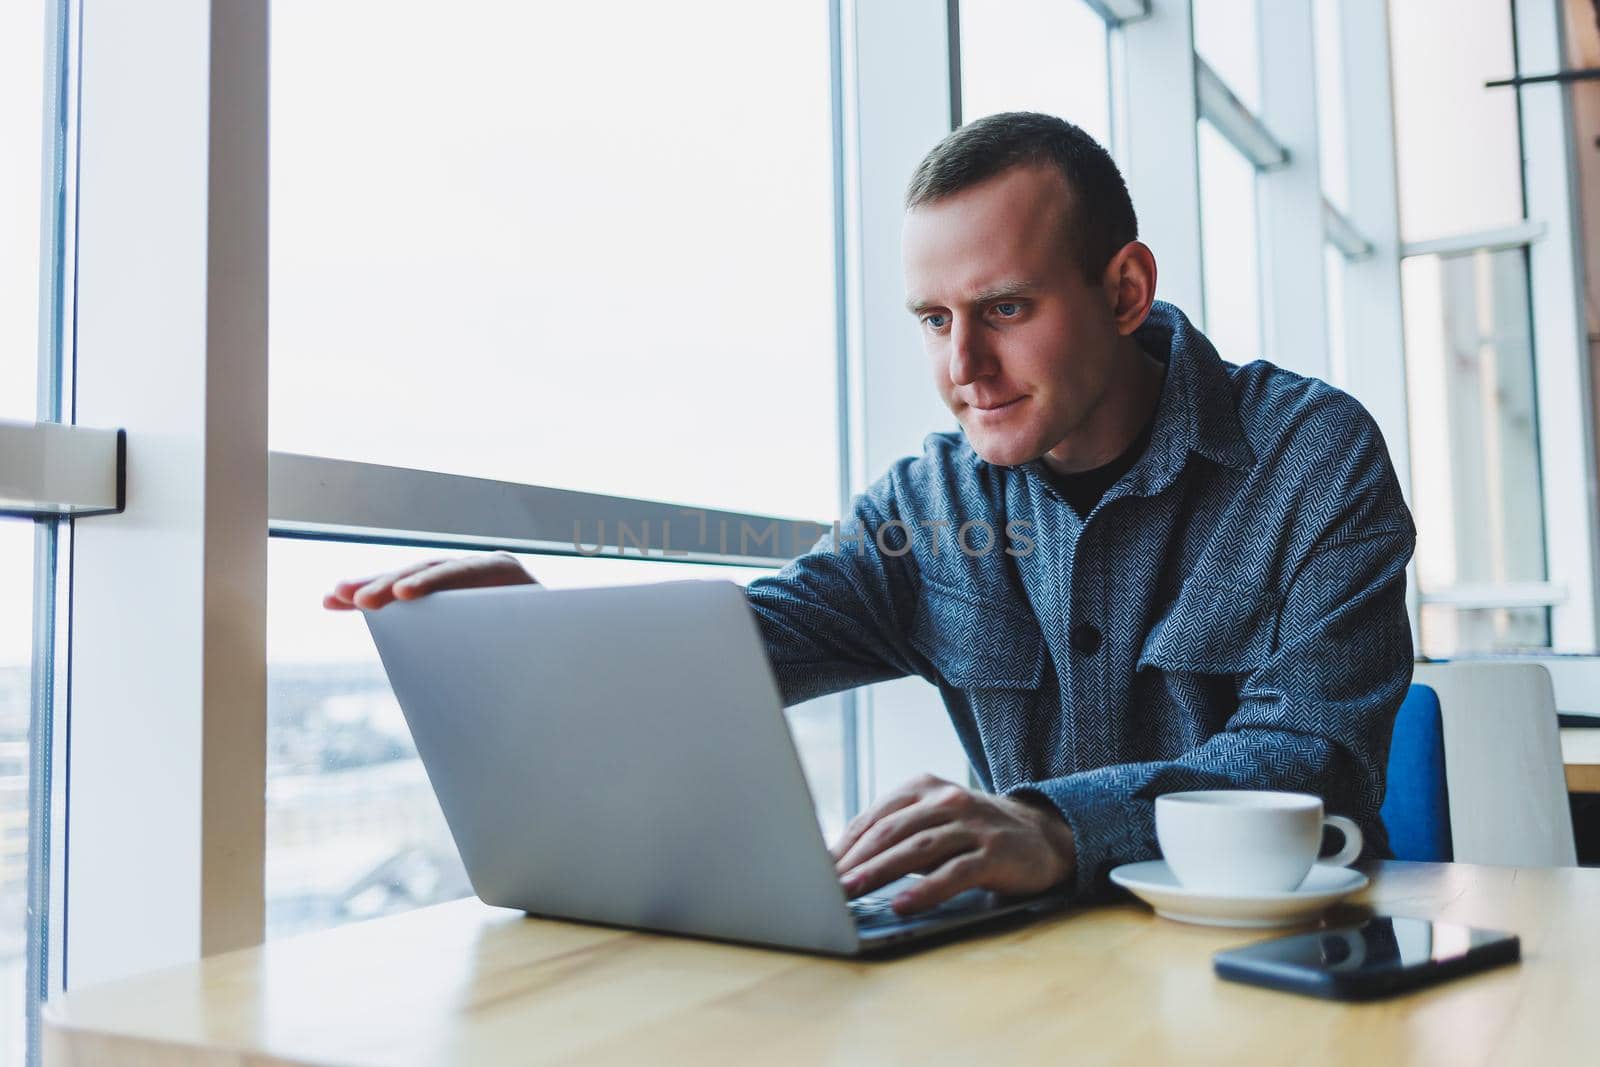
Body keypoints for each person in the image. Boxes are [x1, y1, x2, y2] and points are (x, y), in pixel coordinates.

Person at [325, 112, 1415, 918]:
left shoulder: (1312, 456)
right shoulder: (925, 503)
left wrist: (1049, 826)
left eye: (1002, 309)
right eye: (932, 319)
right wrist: (547, 640)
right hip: (1035, 967)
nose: (962, 367)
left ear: (1124, 291)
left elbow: (1311, 754)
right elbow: (747, 644)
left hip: (1279, 963)